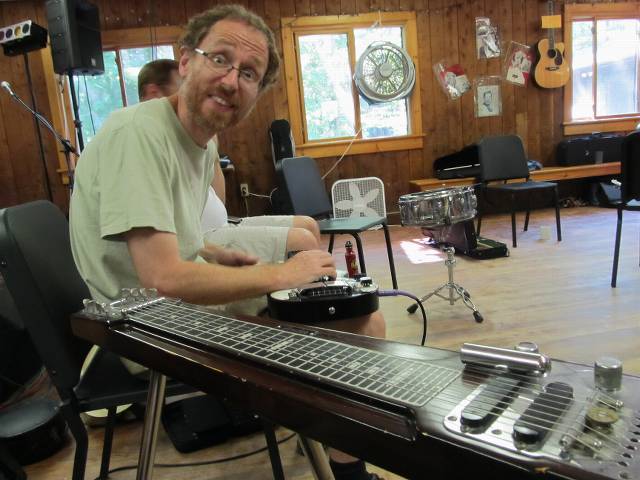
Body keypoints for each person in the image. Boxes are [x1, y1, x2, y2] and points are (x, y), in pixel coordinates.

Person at [70, 5, 384, 479]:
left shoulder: (200, 139)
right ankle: (342, 463)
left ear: (257, 91)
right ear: (185, 62)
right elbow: (161, 277)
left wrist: (217, 252)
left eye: (249, 73)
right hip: (146, 326)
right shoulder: (136, 135)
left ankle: (324, 432)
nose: (231, 80)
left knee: (334, 296)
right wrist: (280, 274)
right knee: (361, 321)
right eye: (220, 58)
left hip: (165, 306)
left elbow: (175, 233)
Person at [138, 60, 322, 270]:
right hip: (201, 240)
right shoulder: (145, 138)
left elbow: (214, 196)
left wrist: (210, 145)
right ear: (153, 93)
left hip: (223, 224)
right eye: (183, 87)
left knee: (308, 225)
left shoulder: (188, 133)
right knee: (302, 241)